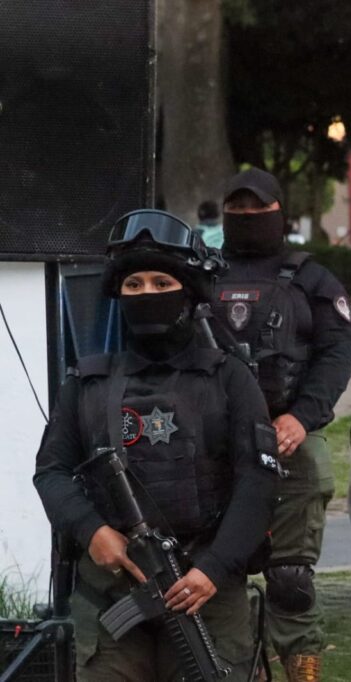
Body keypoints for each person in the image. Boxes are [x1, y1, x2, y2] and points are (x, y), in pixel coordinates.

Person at [33, 209, 280, 680]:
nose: (147, 293)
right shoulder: (87, 383)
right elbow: (52, 472)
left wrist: (213, 568)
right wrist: (93, 531)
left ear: (188, 292)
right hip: (111, 595)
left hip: (206, 593)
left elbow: (259, 480)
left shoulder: (229, 378)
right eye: (134, 285)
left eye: (162, 283)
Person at [210, 167, 351, 681]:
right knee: (214, 572)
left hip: (289, 441)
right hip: (214, 448)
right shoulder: (201, 275)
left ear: (279, 211)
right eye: (238, 208)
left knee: (291, 581)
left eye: (258, 207)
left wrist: (300, 417)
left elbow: (335, 357)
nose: (248, 215)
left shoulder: (313, 279)